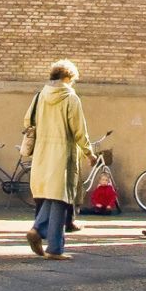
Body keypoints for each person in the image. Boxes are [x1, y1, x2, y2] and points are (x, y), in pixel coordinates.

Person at [25, 59, 95, 261]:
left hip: (42, 152)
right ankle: (44, 236)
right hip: (63, 153)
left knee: (52, 196)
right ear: (68, 78)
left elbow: (27, 120)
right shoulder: (70, 98)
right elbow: (79, 129)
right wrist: (88, 152)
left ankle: (50, 242)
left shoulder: (39, 96)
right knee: (61, 196)